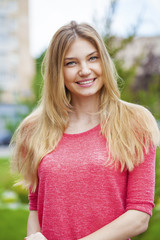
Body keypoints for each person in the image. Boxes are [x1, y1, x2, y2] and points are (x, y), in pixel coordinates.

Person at [11, 21, 160, 240]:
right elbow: (36, 207)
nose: (84, 70)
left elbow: (139, 216)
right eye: (71, 63)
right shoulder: (34, 129)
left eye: (93, 58)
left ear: (104, 61)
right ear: (57, 71)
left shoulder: (135, 122)